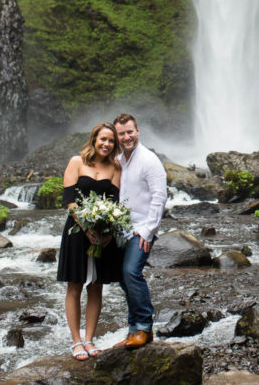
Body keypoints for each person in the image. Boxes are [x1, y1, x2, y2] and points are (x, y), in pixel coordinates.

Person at [57, 121, 124, 361]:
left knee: (96, 286)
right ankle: (76, 342)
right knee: (74, 285)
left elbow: (115, 202)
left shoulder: (116, 167)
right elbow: (69, 199)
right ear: (94, 139)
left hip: (103, 232)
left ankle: (90, 339)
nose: (106, 144)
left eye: (111, 141)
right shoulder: (77, 162)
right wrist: (86, 226)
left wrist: (106, 232)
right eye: (103, 139)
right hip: (77, 231)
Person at [112, 113, 168, 349]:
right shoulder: (119, 159)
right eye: (122, 133)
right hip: (122, 229)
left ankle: (144, 326)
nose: (126, 137)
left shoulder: (149, 159)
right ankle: (134, 328)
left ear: (138, 131)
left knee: (131, 272)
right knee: (124, 279)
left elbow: (160, 196)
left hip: (142, 228)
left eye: (130, 132)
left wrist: (148, 231)